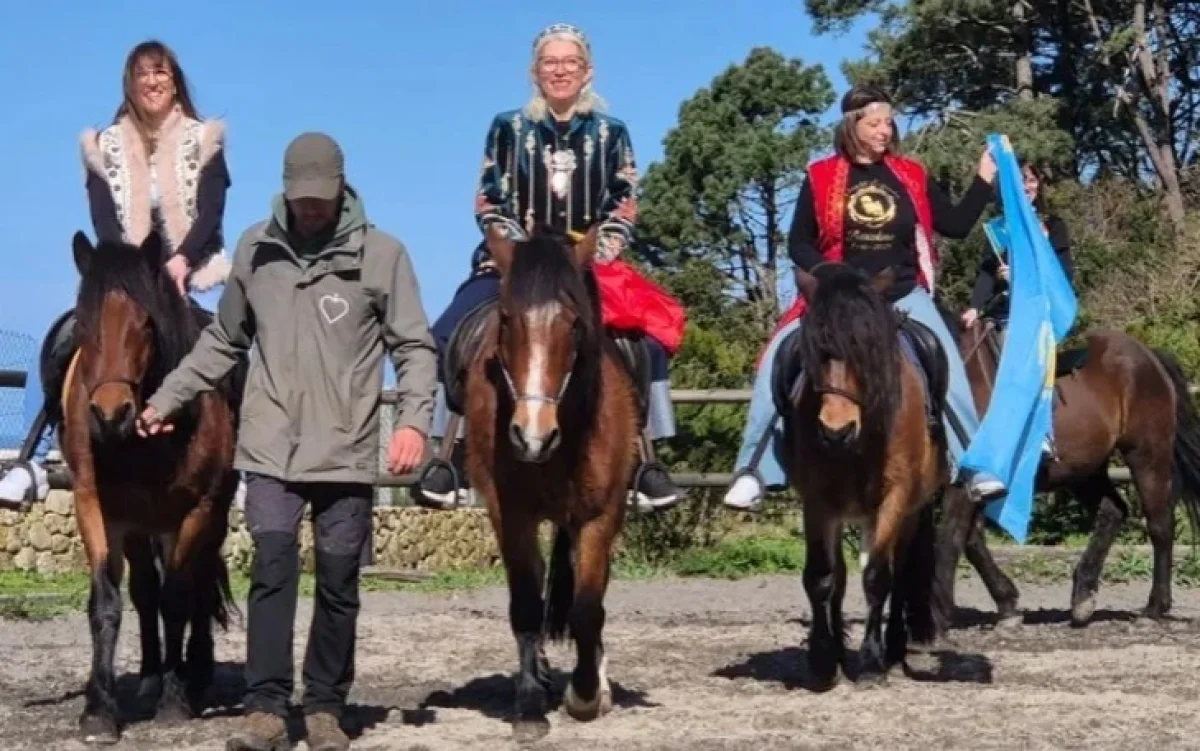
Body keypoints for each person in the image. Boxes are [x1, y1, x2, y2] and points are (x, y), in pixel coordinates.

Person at [137, 132, 438, 751]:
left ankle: (325, 707)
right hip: (271, 444)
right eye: (299, 197)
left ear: (340, 189)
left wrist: (413, 420)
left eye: (319, 198)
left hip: (347, 446)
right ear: (285, 189)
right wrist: (167, 397)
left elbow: (413, 347)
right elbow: (224, 340)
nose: (309, 208)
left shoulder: (382, 256)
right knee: (271, 572)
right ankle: (267, 708)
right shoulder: (257, 249)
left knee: (337, 580)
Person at [416, 22, 683, 512]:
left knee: (645, 343)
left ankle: (648, 458)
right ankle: (449, 454)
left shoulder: (612, 132)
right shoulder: (507, 128)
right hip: (512, 264)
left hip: (587, 265)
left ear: (588, 72)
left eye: (570, 63)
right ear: (535, 72)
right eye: (550, 63)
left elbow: (623, 203)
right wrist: (521, 253)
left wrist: (599, 250)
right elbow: (487, 198)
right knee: (447, 333)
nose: (560, 71)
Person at [722, 85, 1008, 512]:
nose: (884, 130)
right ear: (851, 125)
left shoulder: (911, 174)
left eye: (889, 122)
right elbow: (799, 243)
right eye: (874, 123)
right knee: (780, 357)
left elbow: (956, 225)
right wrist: (827, 274)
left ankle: (972, 464)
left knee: (944, 358)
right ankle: (755, 469)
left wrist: (984, 179)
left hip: (902, 294)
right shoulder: (819, 176)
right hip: (841, 298)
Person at [0, 39, 231, 508]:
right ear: (130, 83)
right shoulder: (103, 145)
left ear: (175, 81)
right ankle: (33, 458)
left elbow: (211, 208)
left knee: (231, 351)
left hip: (183, 274)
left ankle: (243, 464)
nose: (152, 82)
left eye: (161, 72)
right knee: (63, 338)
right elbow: (103, 216)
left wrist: (182, 258)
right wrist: (125, 272)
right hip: (121, 277)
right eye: (143, 74)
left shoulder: (204, 139)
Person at [961, 160, 1076, 334]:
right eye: (1020, 181)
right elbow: (987, 272)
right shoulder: (998, 228)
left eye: (1031, 180)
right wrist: (975, 307)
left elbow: (1064, 274)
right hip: (1004, 310)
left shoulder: (1054, 226)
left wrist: (1019, 278)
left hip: (1041, 309)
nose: (1026, 187)